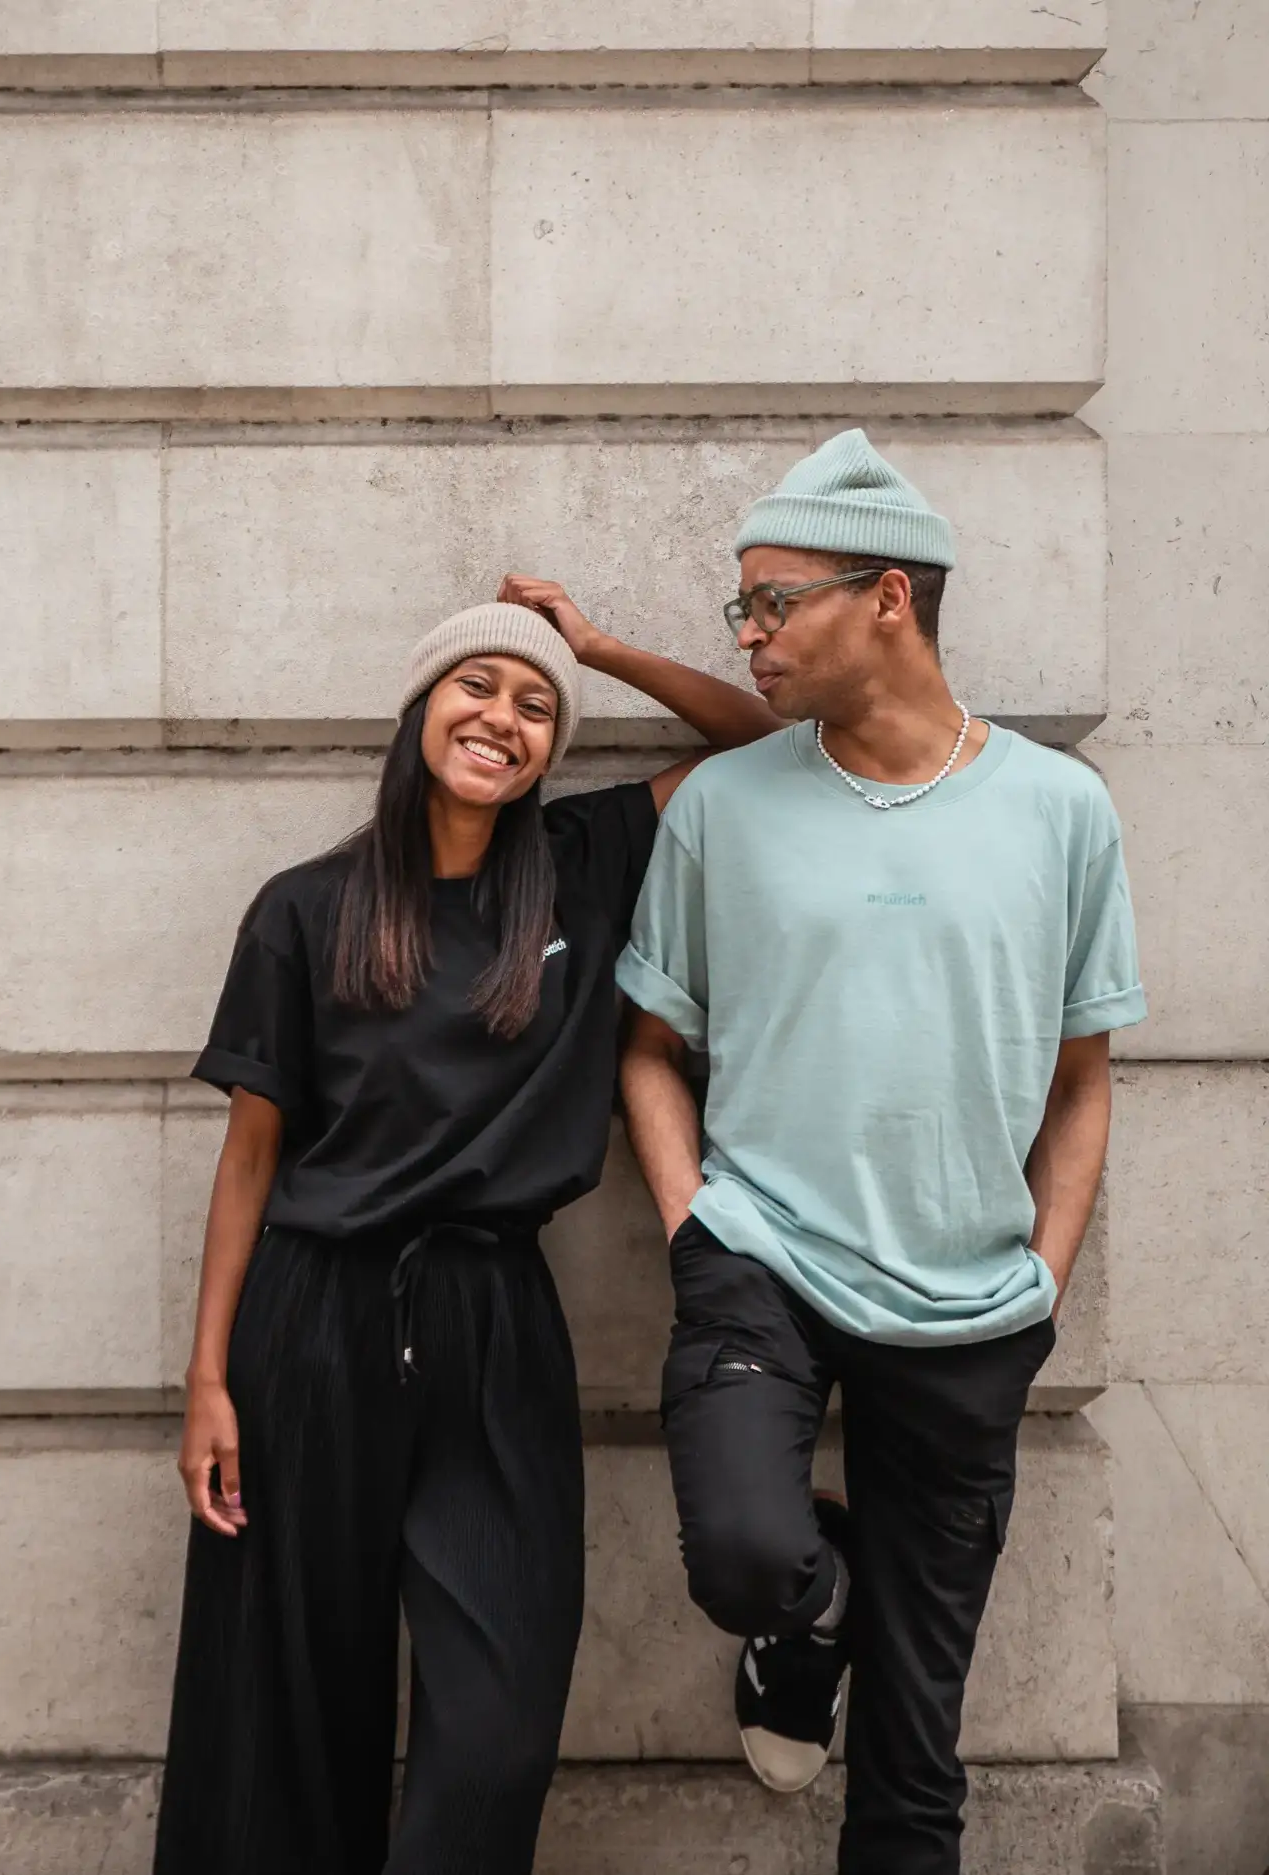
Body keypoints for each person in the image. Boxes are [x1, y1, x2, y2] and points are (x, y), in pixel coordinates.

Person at [152, 589, 777, 1875]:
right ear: (422, 708)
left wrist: (597, 649)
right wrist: (209, 1377)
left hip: (493, 1322)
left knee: (497, 1720)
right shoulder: (302, 907)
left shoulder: (590, 862)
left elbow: (765, 748)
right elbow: (251, 1156)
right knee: (288, 1700)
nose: (503, 717)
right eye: (477, 688)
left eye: (537, 705)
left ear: (555, 745)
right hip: (311, 1321)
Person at [616, 430, 1147, 1875]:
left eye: (773, 600)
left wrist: (1042, 1271)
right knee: (741, 1552)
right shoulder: (724, 805)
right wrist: (693, 1222)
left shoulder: (1060, 810)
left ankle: (852, 1635)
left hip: (973, 1304)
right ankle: (813, 1593)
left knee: (917, 1752)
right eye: (745, 606)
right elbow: (649, 1048)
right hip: (763, 1262)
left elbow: (1085, 1078)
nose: (748, 633)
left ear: (891, 598)